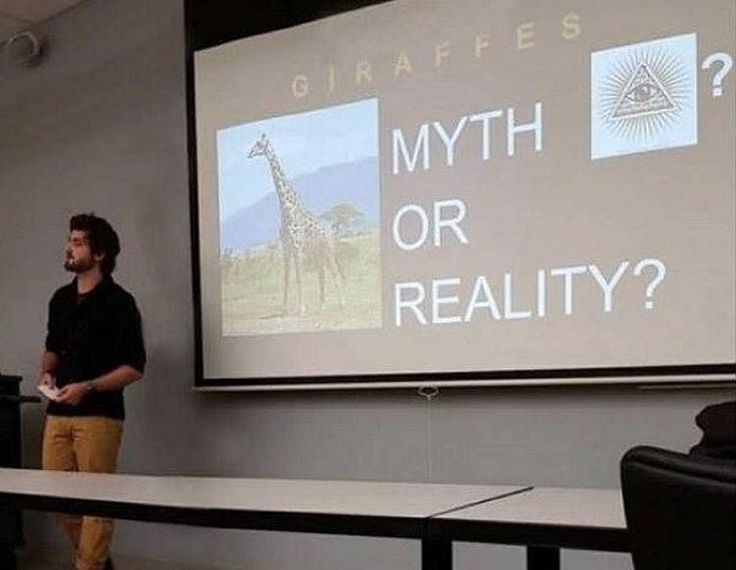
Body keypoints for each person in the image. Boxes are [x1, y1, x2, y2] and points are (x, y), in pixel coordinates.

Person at [38, 213, 146, 570]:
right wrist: (47, 373)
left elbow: (134, 367)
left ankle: (88, 566)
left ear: (99, 254)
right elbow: (52, 346)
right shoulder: (59, 299)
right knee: (59, 498)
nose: (69, 248)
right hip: (58, 415)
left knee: (96, 503)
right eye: (69, 240)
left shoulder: (120, 303)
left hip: (99, 416)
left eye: (78, 242)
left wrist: (89, 386)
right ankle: (99, 562)